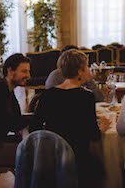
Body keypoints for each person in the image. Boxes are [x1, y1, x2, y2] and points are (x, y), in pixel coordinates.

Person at [30, 50, 109, 187]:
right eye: (87, 66)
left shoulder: (48, 95)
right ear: (80, 71)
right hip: (78, 158)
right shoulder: (86, 97)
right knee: (102, 169)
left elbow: (34, 128)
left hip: (52, 158)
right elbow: (93, 135)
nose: (89, 70)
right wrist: (103, 127)